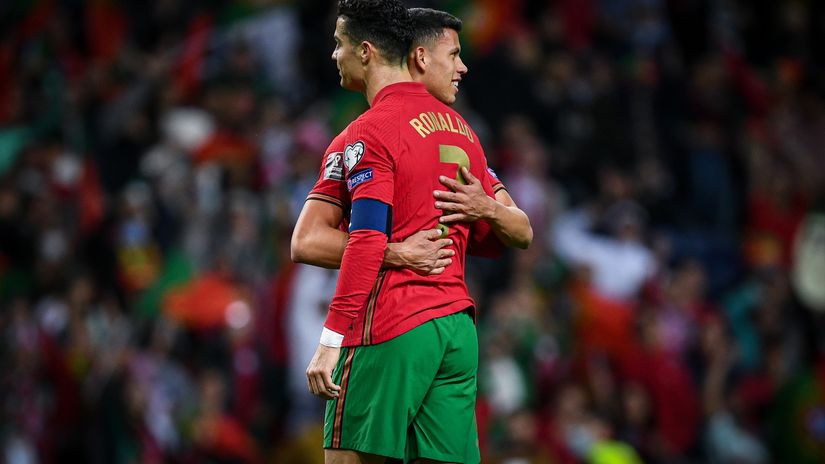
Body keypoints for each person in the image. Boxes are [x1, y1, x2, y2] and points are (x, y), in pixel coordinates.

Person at [302, 2, 530, 463]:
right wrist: (483, 209)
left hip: (392, 325)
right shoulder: (465, 132)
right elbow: (516, 232)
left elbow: (313, 241)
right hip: (456, 331)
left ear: (365, 52)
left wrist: (330, 342)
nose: (333, 55)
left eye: (338, 44)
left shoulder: (367, 133)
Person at [291, 7, 532, 277]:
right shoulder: (367, 136)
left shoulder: (459, 134)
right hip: (422, 311)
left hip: (426, 309)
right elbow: (306, 242)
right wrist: (398, 252)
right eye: (453, 55)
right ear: (420, 58)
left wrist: (487, 208)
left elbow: (522, 230)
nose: (463, 67)